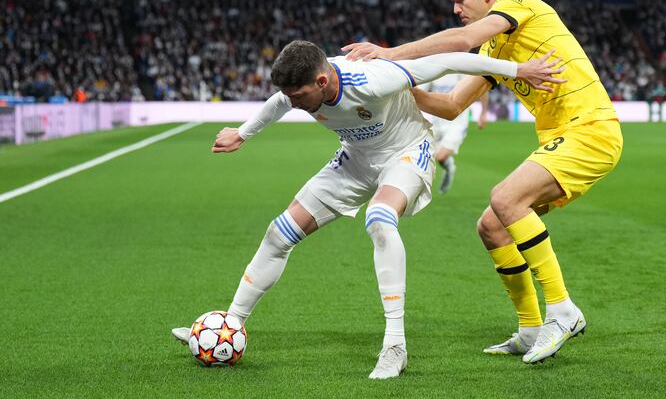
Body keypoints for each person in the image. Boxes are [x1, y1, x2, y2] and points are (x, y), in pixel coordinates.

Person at [171, 39, 564, 379]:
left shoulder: (374, 78)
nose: (294, 104)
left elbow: (449, 61)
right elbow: (276, 103)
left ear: (321, 82)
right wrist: (242, 134)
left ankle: (395, 345)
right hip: (355, 160)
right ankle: (230, 325)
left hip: (407, 153)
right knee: (280, 232)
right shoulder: (298, 92)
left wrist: (517, 69)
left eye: (299, 96)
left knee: (379, 219)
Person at [343, 0, 623, 364]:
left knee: (506, 198)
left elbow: (460, 42)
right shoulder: (497, 47)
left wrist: (392, 53)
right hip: (563, 136)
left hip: (590, 129)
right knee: (492, 226)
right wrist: (399, 87)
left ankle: (563, 311)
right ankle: (530, 329)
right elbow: (453, 105)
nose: (456, 9)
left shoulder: (520, 4)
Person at [419, 74, 489, 194]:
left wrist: (483, 113)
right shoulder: (436, 70)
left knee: (441, 157)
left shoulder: (461, 70)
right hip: (436, 122)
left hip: (457, 124)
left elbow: (482, 88)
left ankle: (450, 168)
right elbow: (419, 91)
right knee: (425, 156)